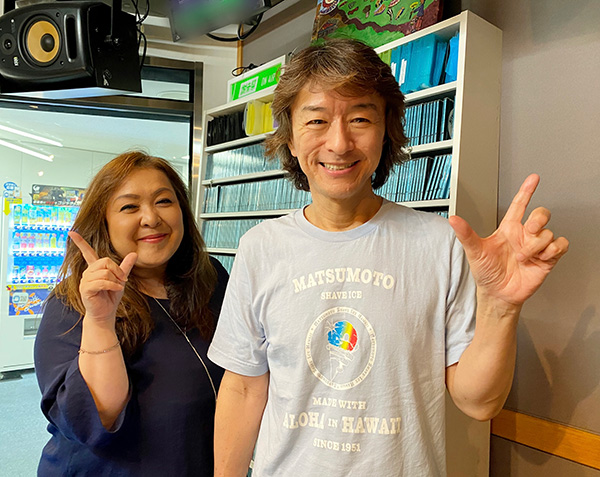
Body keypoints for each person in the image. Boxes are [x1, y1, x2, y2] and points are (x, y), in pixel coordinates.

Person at [207, 39, 569, 476]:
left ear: (386, 130)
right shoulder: (259, 248)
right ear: (291, 136)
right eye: (317, 120)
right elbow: (244, 388)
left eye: (360, 119)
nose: (339, 143)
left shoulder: (438, 244)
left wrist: (501, 306)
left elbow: (479, 402)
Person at [34, 151, 228, 476]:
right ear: (104, 222)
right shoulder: (73, 302)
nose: (151, 218)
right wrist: (100, 321)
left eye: (164, 201)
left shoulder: (211, 279)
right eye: (129, 207)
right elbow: (95, 419)